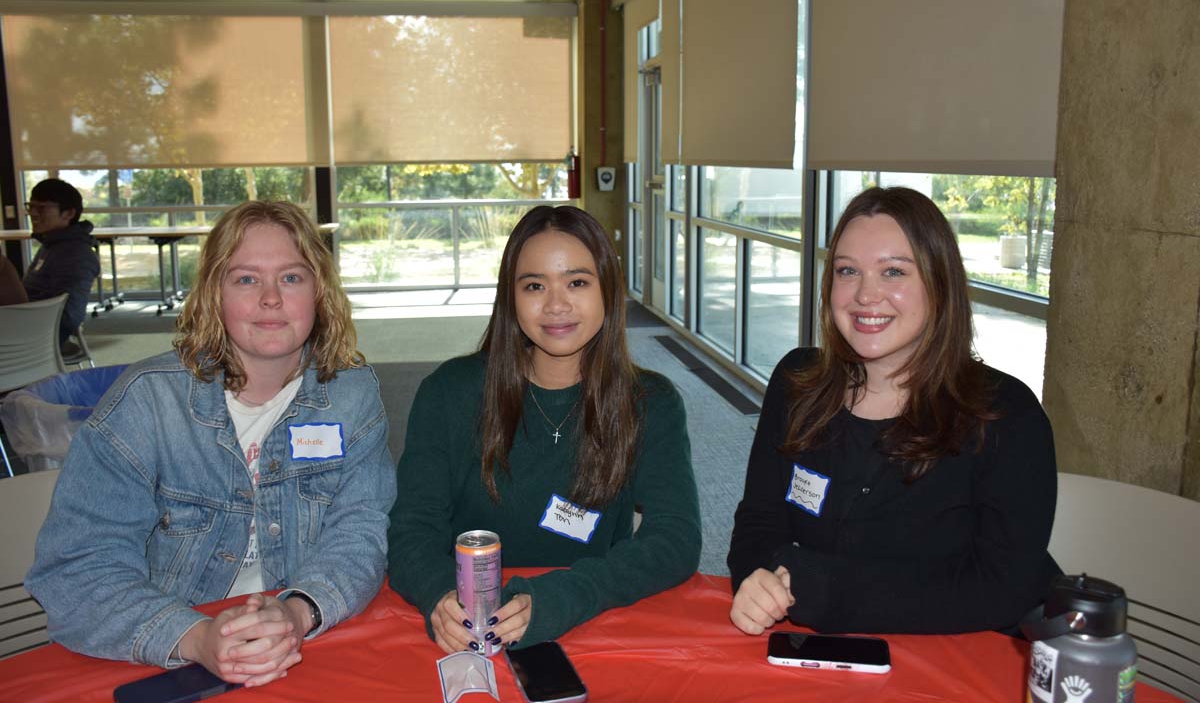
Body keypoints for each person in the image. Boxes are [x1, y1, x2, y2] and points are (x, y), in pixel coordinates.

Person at [26, 200, 396, 687]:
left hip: (302, 643)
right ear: (212, 293)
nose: (270, 299)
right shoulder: (147, 403)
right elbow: (79, 568)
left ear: (320, 292)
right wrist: (197, 637)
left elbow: (360, 530)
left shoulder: (350, 393)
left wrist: (297, 613)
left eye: (291, 278)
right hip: (169, 650)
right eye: (246, 279)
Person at [727, 186, 1059, 637]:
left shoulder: (1004, 416)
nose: (866, 294)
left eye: (893, 272)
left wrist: (829, 590)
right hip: (812, 651)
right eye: (848, 271)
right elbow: (759, 522)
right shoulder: (797, 383)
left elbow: (1002, 589)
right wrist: (756, 580)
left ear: (939, 283)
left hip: (953, 661)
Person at [388, 205, 701, 653]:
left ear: (607, 292)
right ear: (510, 299)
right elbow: (412, 528)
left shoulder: (650, 402)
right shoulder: (448, 393)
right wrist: (441, 597)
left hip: (593, 621)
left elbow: (676, 538)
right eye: (535, 285)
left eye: (577, 282)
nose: (556, 305)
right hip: (466, 628)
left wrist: (568, 596)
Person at [22, 178, 100, 347]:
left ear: (69, 213)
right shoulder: (51, 245)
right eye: (31, 206)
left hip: (36, 340)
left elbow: (69, 317)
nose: (33, 213)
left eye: (41, 208)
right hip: (21, 328)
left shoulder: (77, 255)